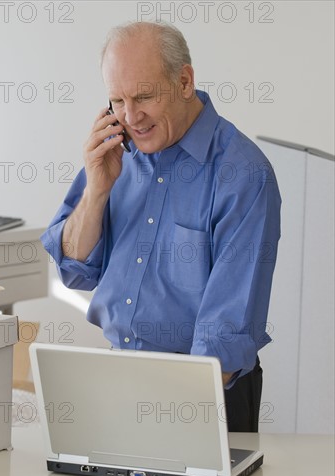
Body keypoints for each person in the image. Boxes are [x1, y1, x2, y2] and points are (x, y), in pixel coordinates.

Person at [41, 21, 281, 432]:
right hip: (117, 383)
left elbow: (223, 339)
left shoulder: (242, 174)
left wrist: (161, 422)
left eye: (144, 97)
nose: (131, 116)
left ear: (184, 81)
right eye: (116, 100)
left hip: (202, 397)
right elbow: (75, 271)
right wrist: (96, 190)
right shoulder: (114, 155)